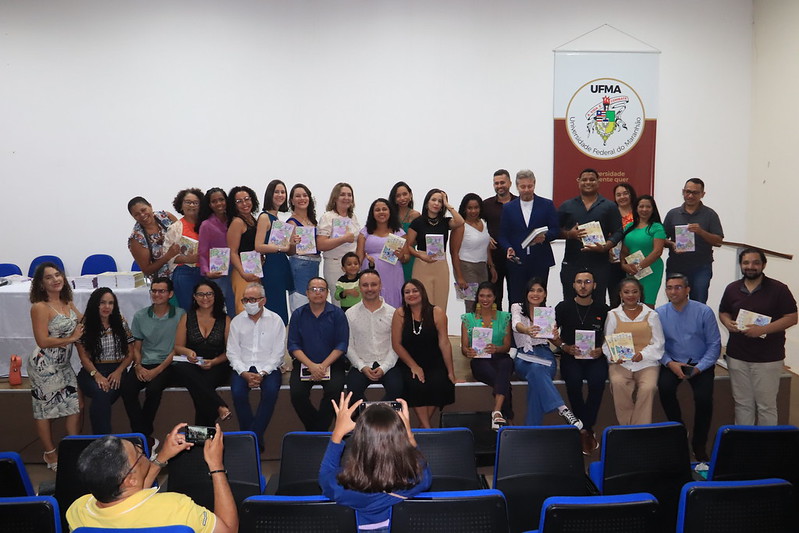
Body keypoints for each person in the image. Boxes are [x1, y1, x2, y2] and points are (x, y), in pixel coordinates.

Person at [66, 422, 238, 533]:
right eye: (137, 452)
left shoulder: (77, 511)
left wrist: (161, 457)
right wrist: (216, 466)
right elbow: (229, 531)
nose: (141, 450)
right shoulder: (177, 507)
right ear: (129, 479)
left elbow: (131, 496)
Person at [320, 393, 432, 533]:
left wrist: (337, 434)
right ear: (400, 442)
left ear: (358, 443)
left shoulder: (342, 488)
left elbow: (324, 476)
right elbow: (424, 472)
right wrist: (409, 435)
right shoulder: (414, 482)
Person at [719, 248, 797, 425]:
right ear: (741, 265)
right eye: (746, 263)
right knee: (742, 404)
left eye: (755, 262)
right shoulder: (732, 289)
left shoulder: (779, 289)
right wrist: (727, 322)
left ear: (763, 265)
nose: (750, 266)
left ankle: (766, 450)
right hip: (737, 356)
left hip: (768, 358)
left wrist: (763, 329)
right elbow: (723, 311)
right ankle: (745, 446)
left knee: (766, 406)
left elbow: (792, 317)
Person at [657, 273, 721, 461]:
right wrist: (669, 363)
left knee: (704, 399)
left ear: (688, 290)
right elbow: (657, 345)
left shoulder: (704, 311)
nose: (673, 291)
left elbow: (714, 344)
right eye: (669, 287)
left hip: (700, 363)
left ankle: (699, 443)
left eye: (678, 287)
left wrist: (700, 368)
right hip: (673, 362)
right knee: (665, 388)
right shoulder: (660, 313)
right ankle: (678, 429)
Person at [28, 262, 83, 470]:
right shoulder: (39, 307)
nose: (55, 279)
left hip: (63, 363)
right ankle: (50, 454)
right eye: (49, 277)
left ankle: (73, 448)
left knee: (76, 405)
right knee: (45, 410)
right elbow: (42, 341)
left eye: (57, 275)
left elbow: (82, 323)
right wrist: (71, 338)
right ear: (41, 284)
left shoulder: (67, 302)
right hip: (45, 364)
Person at [120, 277, 185, 448]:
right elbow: (137, 346)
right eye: (154, 291)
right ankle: (142, 434)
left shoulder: (180, 315)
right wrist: (138, 366)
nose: (157, 294)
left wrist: (157, 371)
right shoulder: (141, 315)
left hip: (168, 364)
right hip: (144, 363)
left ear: (170, 294)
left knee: (154, 389)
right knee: (127, 388)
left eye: (161, 291)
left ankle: (142, 434)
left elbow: (177, 348)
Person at [511, 278, 582, 428]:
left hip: (544, 353)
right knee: (535, 370)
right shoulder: (517, 307)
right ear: (526, 293)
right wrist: (526, 330)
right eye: (532, 290)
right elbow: (516, 324)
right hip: (524, 354)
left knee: (536, 380)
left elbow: (553, 339)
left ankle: (531, 431)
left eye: (539, 290)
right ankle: (562, 409)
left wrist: (556, 337)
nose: (535, 294)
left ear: (545, 294)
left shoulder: (548, 312)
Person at [553, 269, 610, 455]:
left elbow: (611, 335)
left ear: (594, 285)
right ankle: (586, 430)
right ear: (573, 285)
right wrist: (564, 346)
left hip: (595, 357)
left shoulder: (604, 308)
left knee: (597, 382)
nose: (583, 285)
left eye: (587, 282)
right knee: (573, 383)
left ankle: (584, 428)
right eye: (579, 282)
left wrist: (602, 349)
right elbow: (551, 333)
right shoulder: (562, 307)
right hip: (571, 356)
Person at [227, 282, 286, 452]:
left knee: (270, 392)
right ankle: (255, 439)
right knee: (237, 393)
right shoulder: (237, 321)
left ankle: (251, 437)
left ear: (263, 300)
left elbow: (278, 353)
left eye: (252, 299)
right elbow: (232, 352)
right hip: (243, 367)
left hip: (268, 367)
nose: (248, 303)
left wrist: (262, 373)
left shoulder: (276, 320)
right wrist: (243, 372)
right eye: (245, 299)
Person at [392, 279, 456, 428]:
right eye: (407, 292)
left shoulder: (437, 312)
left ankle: (422, 427)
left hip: (434, 360)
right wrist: (414, 366)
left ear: (422, 292)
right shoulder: (400, 313)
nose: (411, 294)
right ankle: (427, 429)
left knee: (440, 383)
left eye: (415, 290)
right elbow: (396, 344)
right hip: (409, 361)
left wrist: (451, 372)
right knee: (416, 384)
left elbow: (444, 343)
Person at [287, 277, 349, 431]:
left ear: (327, 293)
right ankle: (318, 430)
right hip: (305, 364)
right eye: (313, 289)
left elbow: (341, 344)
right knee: (297, 394)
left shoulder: (337, 314)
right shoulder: (298, 315)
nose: (317, 293)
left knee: (335, 391)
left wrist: (322, 366)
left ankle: (316, 432)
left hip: (332, 363)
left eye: (321, 289)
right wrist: (312, 366)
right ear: (307, 293)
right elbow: (293, 345)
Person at [603, 278, 664, 425]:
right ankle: (627, 426)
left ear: (640, 293)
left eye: (634, 291)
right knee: (617, 384)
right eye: (626, 292)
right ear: (620, 294)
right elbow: (607, 343)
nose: (631, 295)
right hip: (621, 363)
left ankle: (639, 429)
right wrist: (613, 357)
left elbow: (659, 343)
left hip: (646, 363)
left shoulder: (651, 315)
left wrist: (643, 354)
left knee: (648, 388)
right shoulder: (613, 315)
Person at [558, 168, 624, 303]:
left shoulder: (609, 206)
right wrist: (569, 234)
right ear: (578, 182)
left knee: (599, 302)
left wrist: (606, 246)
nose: (588, 182)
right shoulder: (567, 205)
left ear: (598, 182)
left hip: (599, 264)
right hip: (572, 262)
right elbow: (554, 230)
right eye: (584, 180)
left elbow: (619, 231)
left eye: (592, 179)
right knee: (569, 302)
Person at [172, 280, 232, 427]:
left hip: (217, 363)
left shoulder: (225, 319)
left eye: (209, 294)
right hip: (192, 364)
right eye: (200, 294)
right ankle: (219, 405)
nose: (205, 298)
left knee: (203, 387)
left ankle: (201, 441)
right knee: (179, 367)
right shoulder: (187, 317)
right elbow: (178, 347)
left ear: (215, 296)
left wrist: (214, 362)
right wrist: (188, 352)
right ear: (194, 297)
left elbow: (230, 352)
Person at [77, 288, 134, 435]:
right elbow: (83, 358)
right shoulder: (83, 325)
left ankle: (100, 441)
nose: (106, 307)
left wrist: (119, 372)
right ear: (95, 304)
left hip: (117, 370)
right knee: (101, 393)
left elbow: (130, 353)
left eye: (110, 303)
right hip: (92, 370)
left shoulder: (120, 322)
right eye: (102, 303)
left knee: (103, 395)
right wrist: (97, 376)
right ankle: (104, 440)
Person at [498, 169, 560, 303]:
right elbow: (502, 235)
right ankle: (517, 325)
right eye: (523, 187)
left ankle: (539, 324)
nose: (526, 190)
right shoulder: (508, 208)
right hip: (517, 262)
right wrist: (508, 247)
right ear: (517, 186)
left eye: (529, 186)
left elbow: (556, 230)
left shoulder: (547, 204)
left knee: (539, 299)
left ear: (534, 184)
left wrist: (545, 237)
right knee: (516, 300)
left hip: (540, 261)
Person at [345, 270, 404, 404]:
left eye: (374, 284)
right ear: (359, 287)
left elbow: (396, 344)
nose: (370, 289)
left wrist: (384, 367)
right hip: (361, 364)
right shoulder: (350, 313)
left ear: (380, 286)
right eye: (365, 285)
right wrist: (361, 366)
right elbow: (348, 345)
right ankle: (370, 419)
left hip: (387, 363)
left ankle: (375, 417)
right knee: (353, 392)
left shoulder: (392, 313)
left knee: (397, 389)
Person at [662, 178, 724, 304]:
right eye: (687, 191)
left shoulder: (710, 214)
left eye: (695, 193)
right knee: (674, 301)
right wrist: (671, 244)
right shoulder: (673, 214)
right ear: (683, 192)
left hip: (701, 267)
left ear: (702, 194)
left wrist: (701, 232)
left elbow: (718, 241)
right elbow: (661, 239)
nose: (690, 195)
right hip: (676, 265)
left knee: (699, 302)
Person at [460, 282, 513, 429]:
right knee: (503, 382)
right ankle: (506, 417)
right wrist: (468, 351)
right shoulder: (468, 318)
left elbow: (507, 347)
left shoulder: (505, 317)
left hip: (500, 357)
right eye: (482, 296)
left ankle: (497, 412)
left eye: (489, 296)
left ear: (495, 297)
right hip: (479, 359)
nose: (485, 299)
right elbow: (464, 348)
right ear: (477, 297)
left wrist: (497, 348)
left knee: (506, 364)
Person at [404, 189, 465, 311]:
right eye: (433, 200)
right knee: (423, 303)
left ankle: (439, 329)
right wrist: (421, 256)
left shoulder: (445, 222)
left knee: (440, 304)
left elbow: (460, 221)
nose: (436, 203)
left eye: (440, 201)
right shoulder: (418, 222)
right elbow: (408, 246)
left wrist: (448, 206)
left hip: (440, 265)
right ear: (427, 203)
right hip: (422, 264)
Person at [254, 179, 295, 324]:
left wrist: (291, 243)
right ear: (270, 194)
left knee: (280, 311)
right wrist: (280, 248)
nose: (280, 195)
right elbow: (258, 246)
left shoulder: (278, 219)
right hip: (271, 268)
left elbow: (284, 247)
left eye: (283, 192)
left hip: (280, 266)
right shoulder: (265, 217)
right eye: (276, 192)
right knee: (273, 309)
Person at [356, 197, 407, 308]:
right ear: (372, 213)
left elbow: (406, 257)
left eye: (384, 209)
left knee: (393, 303)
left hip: (393, 274)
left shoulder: (399, 232)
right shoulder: (365, 232)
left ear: (390, 211)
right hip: (370, 272)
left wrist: (401, 256)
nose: (381, 212)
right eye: (377, 210)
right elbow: (358, 257)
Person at [317, 182, 361, 306]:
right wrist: (343, 239)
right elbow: (321, 244)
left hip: (353, 266)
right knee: (339, 302)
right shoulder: (328, 217)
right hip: (335, 265)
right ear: (335, 197)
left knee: (355, 301)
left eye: (349, 195)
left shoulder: (353, 218)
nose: (346, 198)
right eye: (342, 194)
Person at [451, 193, 496, 313]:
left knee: (484, 304)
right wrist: (459, 277)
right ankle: (469, 331)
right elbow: (454, 253)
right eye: (469, 208)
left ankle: (483, 332)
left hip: (482, 267)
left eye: (476, 207)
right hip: (466, 267)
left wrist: (491, 267)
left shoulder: (483, 222)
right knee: (471, 305)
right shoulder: (460, 226)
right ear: (464, 209)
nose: (473, 211)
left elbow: (486, 246)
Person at [620, 195, 666, 307]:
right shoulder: (629, 226)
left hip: (651, 271)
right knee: (631, 303)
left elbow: (657, 252)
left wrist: (639, 267)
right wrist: (623, 265)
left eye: (648, 207)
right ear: (636, 208)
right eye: (641, 206)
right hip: (632, 271)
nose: (644, 209)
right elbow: (624, 250)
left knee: (647, 303)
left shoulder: (657, 227)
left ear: (653, 209)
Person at [197, 187, 236, 317]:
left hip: (236, 270)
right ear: (209, 205)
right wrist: (207, 272)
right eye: (214, 201)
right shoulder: (206, 225)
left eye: (221, 199)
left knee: (235, 307)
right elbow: (202, 252)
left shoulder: (234, 220)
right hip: (217, 273)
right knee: (217, 311)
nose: (219, 203)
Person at [481, 169, 517, 310]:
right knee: (494, 296)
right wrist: (486, 236)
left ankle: (514, 331)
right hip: (493, 259)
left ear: (510, 183)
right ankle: (497, 330)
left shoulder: (519, 203)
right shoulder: (486, 205)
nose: (499, 186)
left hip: (515, 257)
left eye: (502, 182)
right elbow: (473, 224)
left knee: (515, 296)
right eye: (496, 183)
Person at [166, 188, 204, 311]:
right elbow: (168, 256)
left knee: (207, 310)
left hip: (207, 272)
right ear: (181, 205)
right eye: (188, 202)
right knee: (188, 309)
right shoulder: (175, 228)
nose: (192, 205)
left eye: (196, 202)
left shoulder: (207, 225)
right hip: (185, 273)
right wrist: (189, 258)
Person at [286, 183, 321, 312]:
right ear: (292, 200)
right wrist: (293, 244)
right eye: (298, 196)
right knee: (300, 306)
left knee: (314, 306)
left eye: (305, 195)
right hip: (300, 267)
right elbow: (289, 252)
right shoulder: (291, 222)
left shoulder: (313, 221)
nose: (302, 199)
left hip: (314, 267)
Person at [226, 185, 260, 315]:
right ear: (233, 205)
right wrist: (243, 273)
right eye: (239, 201)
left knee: (255, 309)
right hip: (242, 274)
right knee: (243, 310)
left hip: (255, 271)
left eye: (247, 199)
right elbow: (232, 251)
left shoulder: (253, 220)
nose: (244, 204)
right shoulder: (237, 222)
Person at [127, 196, 179, 279]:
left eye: (143, 210)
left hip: (183, 271)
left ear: (150, 206)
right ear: (133, 216)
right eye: (137, 214)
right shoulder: (137, 239)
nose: (142, 215)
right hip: (163, 283)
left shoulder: (166, 216)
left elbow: (184, 236)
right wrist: (167, 256)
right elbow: (147, 270)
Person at [608, 183, 637, 308]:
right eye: (618, 194)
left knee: (635, 294)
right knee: (615, 296)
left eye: (625, 193)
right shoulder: (610, 213)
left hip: (635, 259)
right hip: (614, 260)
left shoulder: (639, 212)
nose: (622, 197)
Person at [388, 181, 421, 282]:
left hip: (410, 259)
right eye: (398, 196)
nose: (402, 198)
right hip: (390, 257)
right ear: (394, 199)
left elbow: (419, 239)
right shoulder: (389, 216)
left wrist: (406, 241)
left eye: (405, 194)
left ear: (410, 195)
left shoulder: (416, 215)